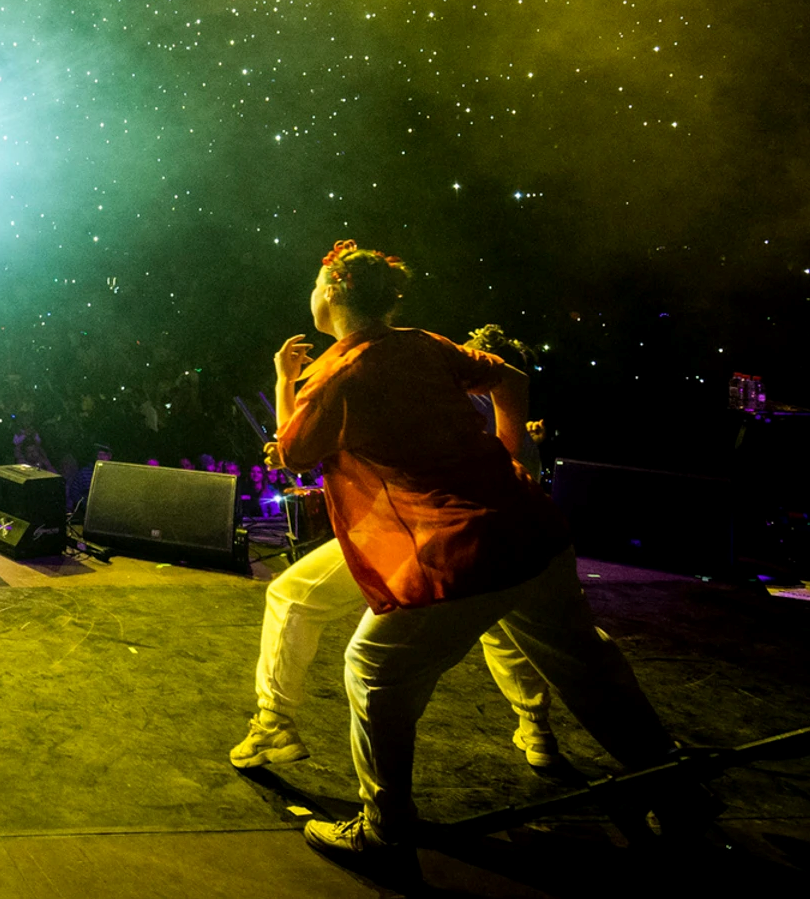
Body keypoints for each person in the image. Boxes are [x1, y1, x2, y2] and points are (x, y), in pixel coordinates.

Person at [262, 241, 696, 857]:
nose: (310, 292)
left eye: (313, 281)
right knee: (586, 666)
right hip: (529, 529)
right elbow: (510, 376)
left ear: (332, 289)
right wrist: (514, 453)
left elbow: (291, 452)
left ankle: (385, 832)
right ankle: (675, 791)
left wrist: (283, 382)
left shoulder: (339, 373)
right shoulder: (422, 342)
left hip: (458, 548)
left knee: (372, 671)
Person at [232, 306, 563, 773]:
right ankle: (543, 732)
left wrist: (286, 387)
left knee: (351, 645)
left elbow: (296, 452)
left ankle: (369, 807)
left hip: (425, 536)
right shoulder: (451, 388)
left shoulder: (414, 377)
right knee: (523, 639)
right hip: (496, 537)